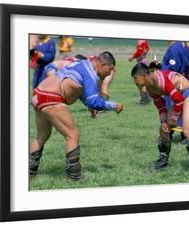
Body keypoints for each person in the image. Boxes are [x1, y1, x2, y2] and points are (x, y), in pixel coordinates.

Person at [30, 51, 124, 180]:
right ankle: (74, 176)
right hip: (51, 98)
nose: (109, 74)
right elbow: (93, 101)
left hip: (38, 94)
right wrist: (114, 106)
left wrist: (89, 106)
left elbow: (77, 88)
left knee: (41, 137)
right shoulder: (90, 73)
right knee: (72, 135)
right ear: (103, 64)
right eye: (110, 70)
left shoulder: (82, 64)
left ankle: (30, 174)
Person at [131, 62, 189, 172]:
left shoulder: (161, 80)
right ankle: (163, 161)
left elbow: (178, 100)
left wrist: (173, 119)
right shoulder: (150, 88)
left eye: (135, 78)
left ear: (143, 76)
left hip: (187, 94)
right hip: (177, 98)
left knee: (187, 130)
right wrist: (163, 121)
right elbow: (161, 106)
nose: (134, 82)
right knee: (164, 129)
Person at [128, 40, 151, 105]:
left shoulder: (141, 41)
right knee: (144, 82)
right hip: (145, 62)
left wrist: (132, 57)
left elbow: (139, 51)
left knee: (141, 83)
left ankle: (144, 100)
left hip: (141, 63)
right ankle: (147, 98)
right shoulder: (145, 41)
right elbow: (147, 49)